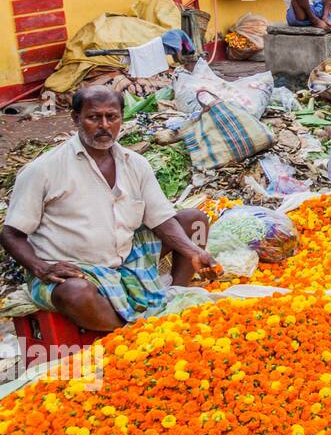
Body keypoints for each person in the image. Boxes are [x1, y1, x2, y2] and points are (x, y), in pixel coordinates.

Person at [1, 86, 215, 333]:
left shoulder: (135, 164)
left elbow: (161, 219)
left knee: (194, 220)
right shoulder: (44, 170)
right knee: (75, 293)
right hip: (73, 270)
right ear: (75, 118)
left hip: (126, 259)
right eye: (94, 117)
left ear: (121, 118)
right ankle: (126, 333)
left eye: (111, 117)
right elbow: (11, 234)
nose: (104, 125)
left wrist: (193, 251)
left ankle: (175, 298)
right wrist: (41, 267)